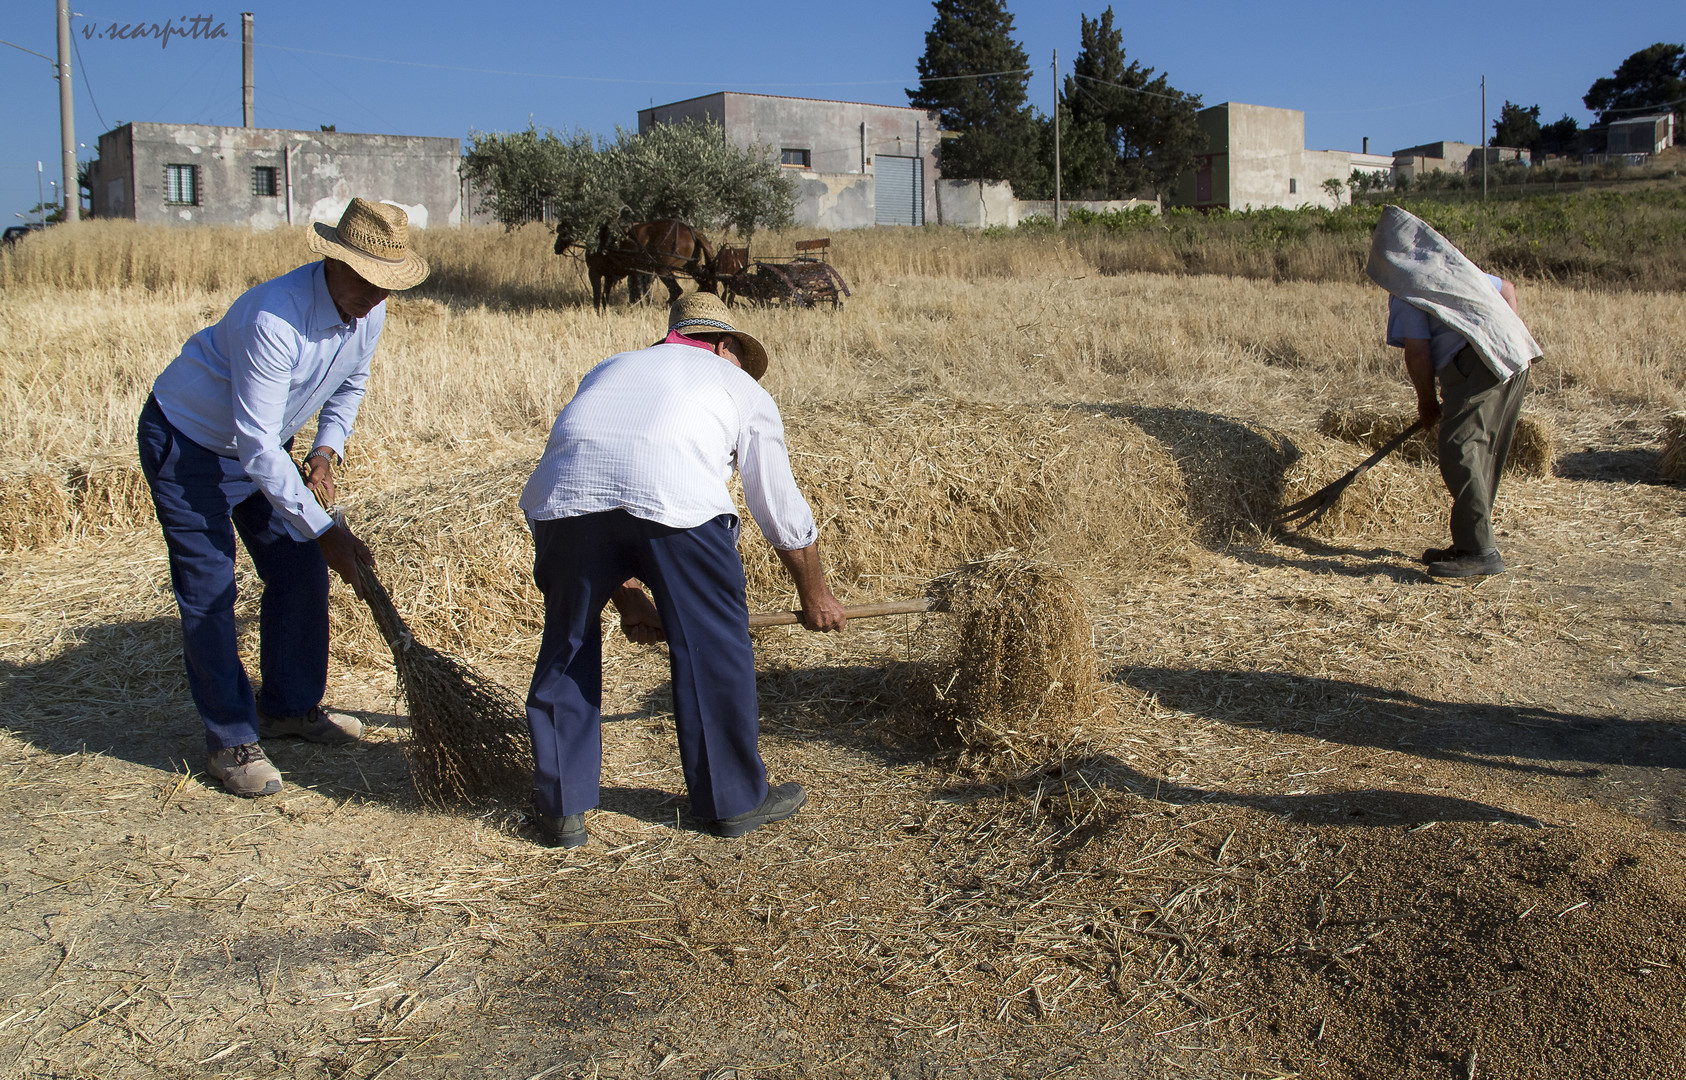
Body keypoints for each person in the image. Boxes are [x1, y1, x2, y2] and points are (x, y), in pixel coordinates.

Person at [518, 292, 847, 848]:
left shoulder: (611, 368)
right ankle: (732, 802)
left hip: (563, 509)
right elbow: (778, 506)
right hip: (678, 509)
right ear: (721, 346)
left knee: (567, 645)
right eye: (738, 353)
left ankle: (560, 808)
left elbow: (591, 483)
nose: (740, 364)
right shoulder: (739, 386)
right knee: (713, 649)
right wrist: (815, 593)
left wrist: (624, 597)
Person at [136, 198, 428, 796]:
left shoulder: (367, 311)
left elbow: (351, 383)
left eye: (386, 287)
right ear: (334, 263)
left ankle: (289, 709)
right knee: (210, 587)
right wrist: (323, 528)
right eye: (369, 282)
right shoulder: (275, 318)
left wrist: (326, 450)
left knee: (298, 570)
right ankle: (231, 738)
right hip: (191, 442)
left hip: (261, 442)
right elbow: (257, 447)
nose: (377, 297)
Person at [1367, 206, 1540, 579]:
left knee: (1459, 449)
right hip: (1514, 355)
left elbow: (1417, 351)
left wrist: (1427, 401)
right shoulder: (1452, 266)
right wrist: (1501, 338)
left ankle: (1480, 551)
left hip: (1477, 363)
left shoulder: (1408, 287)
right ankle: (1470, 541)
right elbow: (1507, 289)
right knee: (1480, 452)